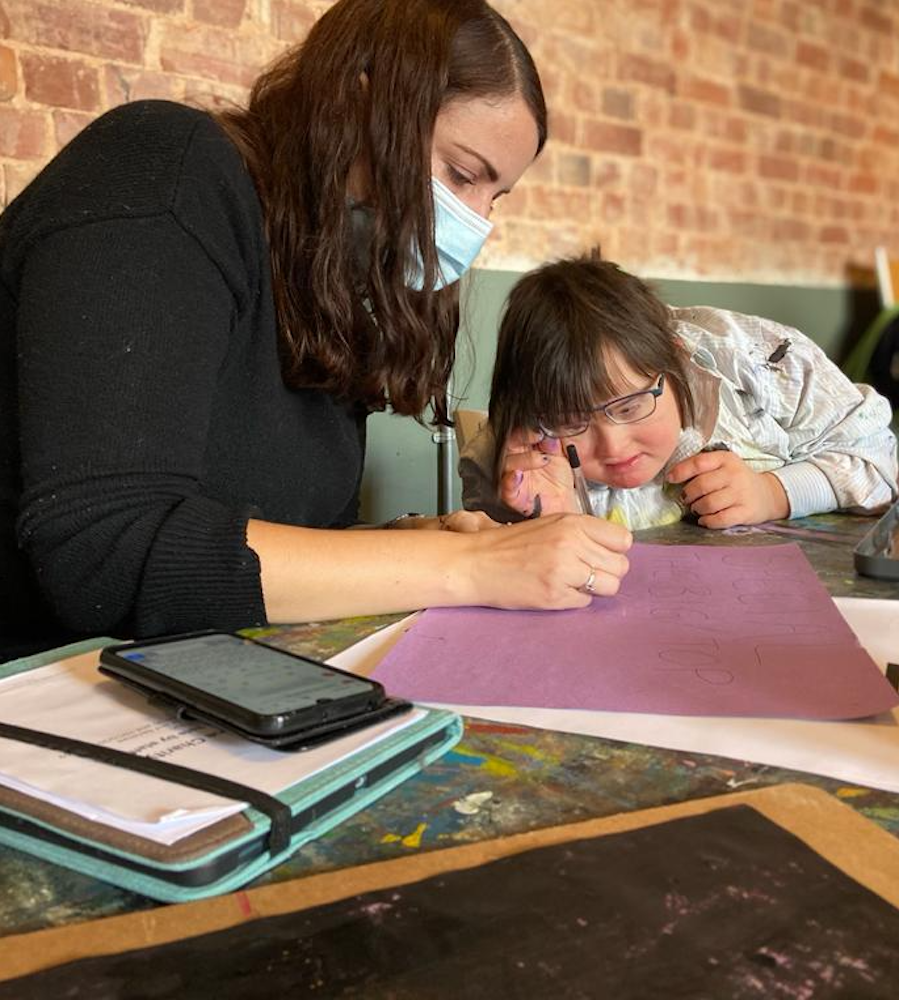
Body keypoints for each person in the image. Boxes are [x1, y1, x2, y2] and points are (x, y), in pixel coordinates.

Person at [0, 0, 631, 662]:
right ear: (362, 107)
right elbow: (104, 554)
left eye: (493, 197)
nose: (476, 222)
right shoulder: (163, 170)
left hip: (205, 675)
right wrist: (462, 564)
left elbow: (278, 541)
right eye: (461, 174)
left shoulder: (328, 277)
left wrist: (414, 541)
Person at [461, 256, 899, 530]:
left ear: (676, 360)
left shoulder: (762, 364)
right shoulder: (511, 455)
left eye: (630, 405)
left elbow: (874, 459)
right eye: (572, 420)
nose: (613, 446)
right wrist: (552, 520)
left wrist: (772, 493)